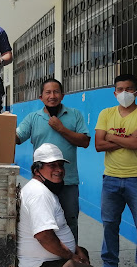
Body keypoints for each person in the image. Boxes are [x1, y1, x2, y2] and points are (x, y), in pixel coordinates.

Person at [94, 73, 137, 267]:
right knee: (110, 224)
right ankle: (110, 266)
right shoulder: (106, 113)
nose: (124, 93)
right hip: (111, 178)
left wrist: (112, 137)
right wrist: (128, 139)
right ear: (114, 93)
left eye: (129, 89)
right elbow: (98, 145)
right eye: (120, 89)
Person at [16, 78, 90, 241]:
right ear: (40, 97)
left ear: (62, 95)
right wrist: (4, 125)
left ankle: (70, 259)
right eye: (48, 92)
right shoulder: (32, 118)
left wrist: (61, 129)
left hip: (68, 181)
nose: (52, 96)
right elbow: (17, 138)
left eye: (56, 92)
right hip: (42, 182)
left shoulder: (75, 115)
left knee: (70, 222)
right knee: (43, 224)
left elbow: (85, 142)